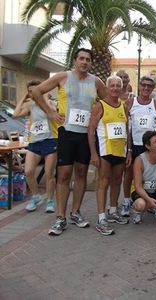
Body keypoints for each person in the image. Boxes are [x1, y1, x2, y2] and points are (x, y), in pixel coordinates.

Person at [31, 48, 106, 236]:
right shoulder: (62, 77)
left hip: (85, 135)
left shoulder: (96, 81)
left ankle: (75, 212)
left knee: (81, 173)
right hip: (66, 132)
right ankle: (60, 217)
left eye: (88, 59)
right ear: (75, 60)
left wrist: (98, 118)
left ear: (91, 63)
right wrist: (50, 113)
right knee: (64, 175)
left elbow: (108, 102)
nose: (84, 62)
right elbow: (37, 92)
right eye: (81, 58)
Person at [88, 76, 131, 235]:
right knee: (103, 182)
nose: (115, 88)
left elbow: (127, 130)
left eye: (118, 85)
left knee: (117, 181)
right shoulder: (100, 105)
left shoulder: (123, 106)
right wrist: (93, 153)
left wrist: (129, 151)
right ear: (107, 88)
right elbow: (91, 131)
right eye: (112, 85)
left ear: (121, 88)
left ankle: (113, 210)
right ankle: (101, 217)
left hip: (120, 151)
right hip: (105, 150)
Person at [13, 80, 59, 213]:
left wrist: (43, 96)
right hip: (35, 142)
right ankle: (36, 196)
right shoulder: (30, 106)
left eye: (35, 90)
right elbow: (15, 114)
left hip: (50, 141)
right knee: (28, 171)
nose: (32, 93)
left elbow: (53, 112)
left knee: (49, 173)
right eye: (30, 91)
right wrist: (23, 98)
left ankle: (50, 201)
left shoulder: (50, 103)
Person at [121, 76, 156, 217]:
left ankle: (151, 201)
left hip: (150, 146)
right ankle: (127, 202)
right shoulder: (129, 103)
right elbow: (127, 127)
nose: (146, 88)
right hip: (135, 145)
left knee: (151, 174)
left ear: (152, 88)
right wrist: (128, 149)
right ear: (139, 86)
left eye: (149, 86)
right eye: (144, 85)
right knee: (129, 174)